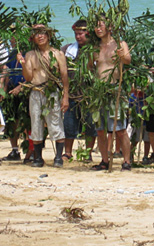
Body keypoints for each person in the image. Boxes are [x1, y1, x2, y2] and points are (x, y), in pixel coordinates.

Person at [17, 24, 69, 168]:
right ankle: (38, 158)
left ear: (48, 35)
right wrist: (23, 63)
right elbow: (28, 77)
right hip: (35, 92)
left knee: (55, 122)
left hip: (52, 92)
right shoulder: (30, 55)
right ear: (33, 38)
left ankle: (58, 157)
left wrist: (65, 97)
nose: (40, 36)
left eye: (43, 33)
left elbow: (64, 76)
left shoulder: (58, 54)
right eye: (37, 34)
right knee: (36, 124)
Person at [90, 18, 132, 171]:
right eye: (96, 25)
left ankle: (126, 161)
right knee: (100, 130)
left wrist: (122, 55)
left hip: (115, 89)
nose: (98, 28)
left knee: (120, 129)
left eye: (100, 25)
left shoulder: (120, 44)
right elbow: (90, 68)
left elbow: (128, 60)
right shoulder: (95, 47)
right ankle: (104, 160)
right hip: (99, 91)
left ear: (110, 26)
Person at [60, 19, 96, 161]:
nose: (78, 36)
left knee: (90, 126)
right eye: (76, 34)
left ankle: (88, 153)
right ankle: (68, 153)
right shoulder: (67, 49)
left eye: (81, 34)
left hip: (90, 95)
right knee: (69, 125)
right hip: (72, 95)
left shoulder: (95, 50)